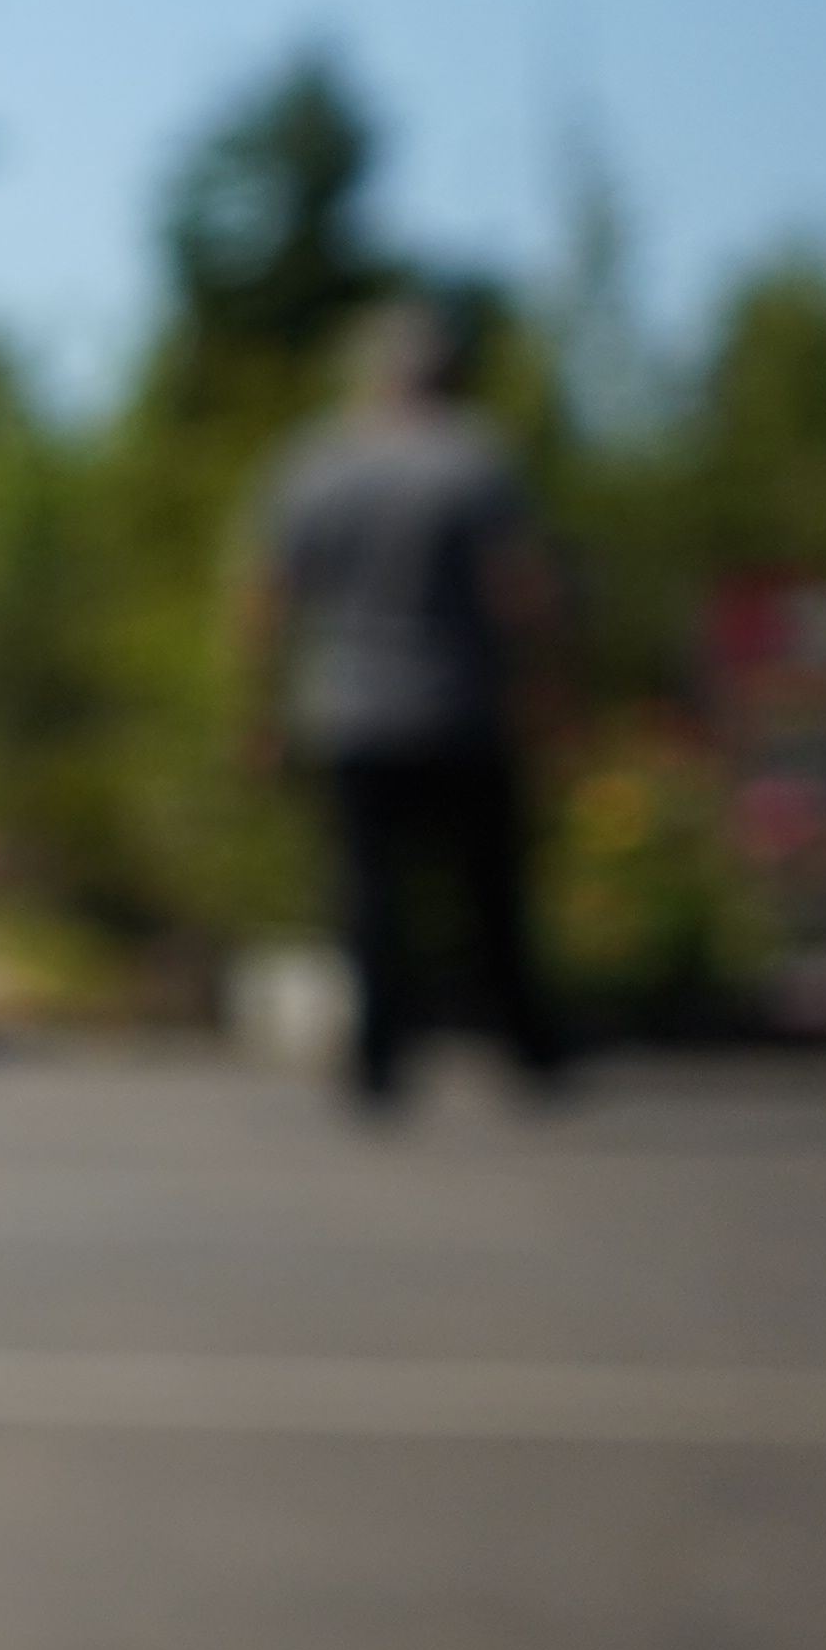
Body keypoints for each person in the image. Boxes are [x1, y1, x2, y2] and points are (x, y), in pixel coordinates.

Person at [239, 294, 567, 1105]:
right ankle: (524, 1047)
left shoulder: (316, 463)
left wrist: (259, 707)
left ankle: (380, 1057)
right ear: (447, 373)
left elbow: (268, 597)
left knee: (368, 891)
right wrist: (548, 684)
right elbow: (516, 587)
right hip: (463, 706)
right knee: (490, 889)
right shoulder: (473, 459)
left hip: (352, 709)